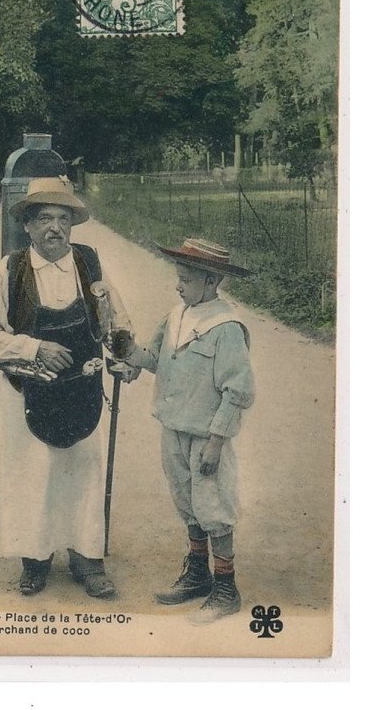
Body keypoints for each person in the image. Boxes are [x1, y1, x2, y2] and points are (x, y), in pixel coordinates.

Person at [0, 176, 117, 599]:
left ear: (72, 224)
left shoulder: (89, 264)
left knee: (83, 473)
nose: (55, 228)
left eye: (63, 218)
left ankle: (87, 558)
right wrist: (34, 347)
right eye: (45, 219)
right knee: (32, 474)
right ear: (28, 227)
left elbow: (115, 319)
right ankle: (34, 560)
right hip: (28, 393)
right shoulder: (9, 270)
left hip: (83, 392)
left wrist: (122, 350)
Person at [124, 238, 255, 624]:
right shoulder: (176, 316)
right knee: (187, 503)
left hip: (205, 437)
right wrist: (127, 353)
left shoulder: (226, 327)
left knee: (214, 508)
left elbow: (238, 391)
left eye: (186, 279)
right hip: (174, 429)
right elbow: (153, 359)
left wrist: (216, 443)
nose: (178, 285)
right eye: (178, 277)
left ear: (211, 282)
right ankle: (198, 575)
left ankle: (226, 589)